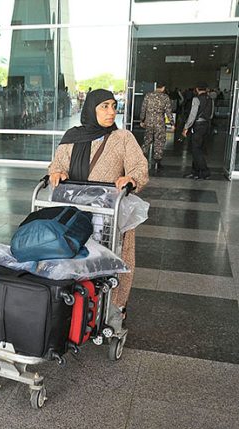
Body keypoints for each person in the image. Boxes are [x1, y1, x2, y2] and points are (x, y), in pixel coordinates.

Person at [48, 89, 149, 330]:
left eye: (114, 106)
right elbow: (57, 164)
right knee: (75, 256)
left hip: (110, 215)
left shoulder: (122, 137)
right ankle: (76, 304)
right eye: (104, 106)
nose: (111, 111)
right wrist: (57, 172)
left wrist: (131, 179)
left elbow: (139, 166)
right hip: (77, 212)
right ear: (91, 109)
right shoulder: (73, 137)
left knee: (118, 259)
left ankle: (116, 308)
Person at [140, 82, 174, 173]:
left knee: (147, 141)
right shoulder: (165, 97)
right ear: (163, 87)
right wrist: (172, 123)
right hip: (160, 123)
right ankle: (157, 163)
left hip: (149, 122)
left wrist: (142, 120)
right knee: (159, 142)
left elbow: (143, 108)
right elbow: (168, 111)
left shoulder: (148, 96)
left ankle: (141, 160)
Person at [183, 82, 213, 180]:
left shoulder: (196, 99)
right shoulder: (210, 99)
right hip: (206, 125)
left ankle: (205, 172)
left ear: (197, 89)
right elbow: (211, 114)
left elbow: (192, 114)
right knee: (198, 148)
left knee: (196, 150)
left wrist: (186, 127)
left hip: (198, 126)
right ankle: (195, 172)